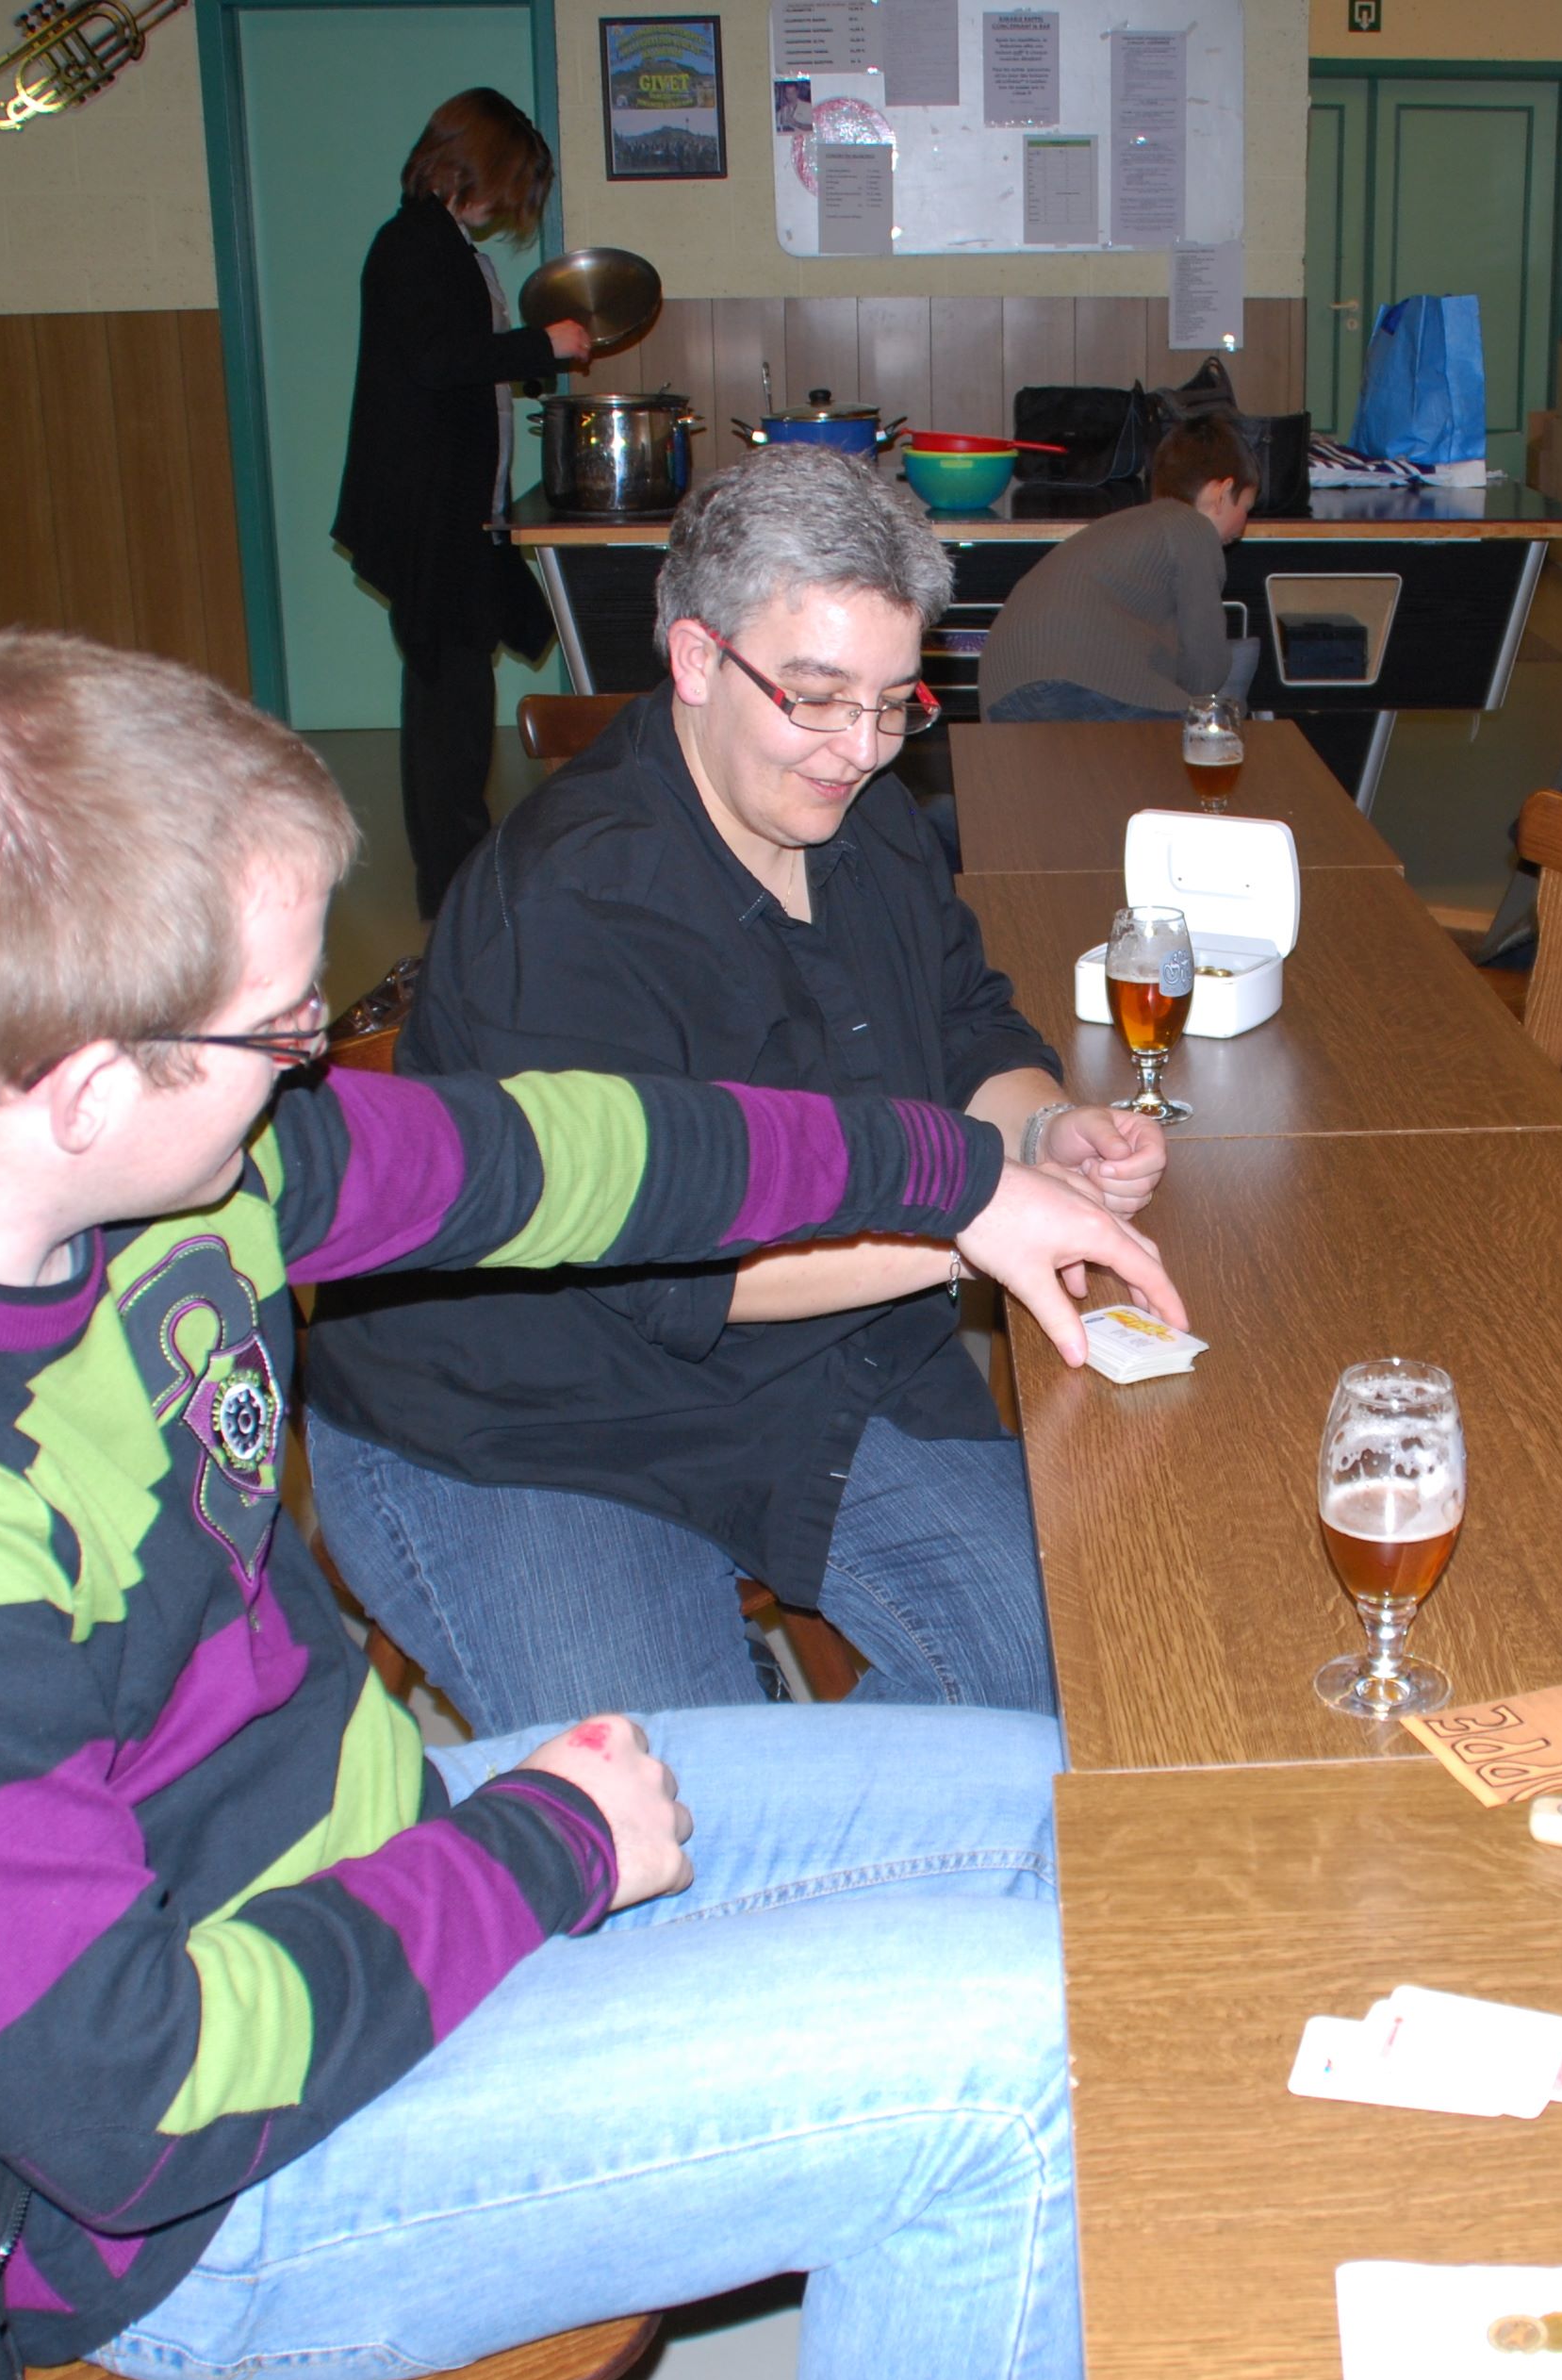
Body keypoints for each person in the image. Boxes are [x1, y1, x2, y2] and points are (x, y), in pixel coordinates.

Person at [0, 627, 1180, 2380]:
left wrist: (955, 1178)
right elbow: (131, 2097)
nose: (315, 1067)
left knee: (1078, 1810)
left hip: (345, 1863)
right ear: (85, 1084)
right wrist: (533, 1851)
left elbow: (557, 1154)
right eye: (286, 1029)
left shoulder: (95, 1173)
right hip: (201, 2201)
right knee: (1026, 2058)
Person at [307, 447, 1159, 1725]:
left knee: (1094, 1680)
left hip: (819, 1371)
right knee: (673, 1830)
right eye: (815, 698)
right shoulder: (576, 896)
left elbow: (967, 1022)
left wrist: (1039, 1127)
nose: (860, 749)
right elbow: (667, 1275)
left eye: (894, 703)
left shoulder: (856, 812)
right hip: (524, 1426)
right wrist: (971, 1231)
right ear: (697, 659)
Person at [334, 89, 593, 918]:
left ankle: (459, 870)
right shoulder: (412, 243)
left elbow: (450, 359)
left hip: (450, 509)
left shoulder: (438, 245)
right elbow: (440, 358)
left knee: (457, 686)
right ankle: (452, 887)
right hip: (426, 512)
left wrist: (528, 358)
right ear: (473, 169)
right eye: (510, 187)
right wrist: (540, 347)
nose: (505, 210)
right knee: (448, 701)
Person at [977, 414, 1257, 721]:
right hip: (1077, 680)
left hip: (1003, 688)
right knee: (1206, 735)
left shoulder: (1127, 530)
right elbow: (1205, 671)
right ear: (1220, 493)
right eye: (1245, 507)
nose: (1244, 524)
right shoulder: (1191, 527)